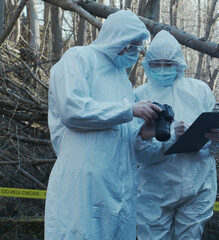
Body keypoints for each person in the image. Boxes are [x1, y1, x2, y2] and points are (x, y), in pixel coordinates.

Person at [45, 10, 161, 239]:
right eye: (131, 45)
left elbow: (118, 130)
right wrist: (128, 110)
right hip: (82, 183)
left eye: (138, 48)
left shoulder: (122, 80)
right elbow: (73, 110)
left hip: (118, 188)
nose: (134, 52)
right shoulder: (79, 58)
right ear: (116, 38)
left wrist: (142, 134)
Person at [134, 30, 219, 240]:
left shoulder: (199, 90)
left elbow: (217, 133)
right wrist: (171, 140)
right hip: (156, 189)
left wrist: (218, 139)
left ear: (179, 64)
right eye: (157, 64)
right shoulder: (140, 95)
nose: (163, 69)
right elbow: (139, 151)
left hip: (198, 183)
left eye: (168, 64)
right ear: (148, 64)